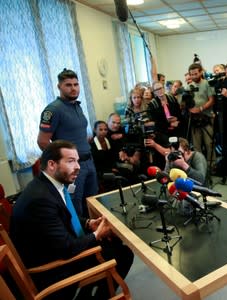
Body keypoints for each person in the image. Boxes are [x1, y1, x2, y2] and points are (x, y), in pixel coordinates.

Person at [10, 140, 134, 299]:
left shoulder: (49, 185)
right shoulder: (40, 199)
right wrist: (97, 235)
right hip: (53, 269)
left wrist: (88, 223)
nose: (78, 166)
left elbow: (63, 216)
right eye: (70, 161)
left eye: (77, 161)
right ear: (52, 164)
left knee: (115, 244)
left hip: (56, 249)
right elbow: (67, 248)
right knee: (123, 254)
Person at [37, 68, 98, 217]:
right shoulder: (53, 110)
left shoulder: (77, 105)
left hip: (88, 161)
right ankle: (80, 239)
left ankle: (97, 236)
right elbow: (42, 141)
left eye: (76, 84)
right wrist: (63, 162)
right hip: (72, 167)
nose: (73, 88)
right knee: (75, 206)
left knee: (93, 203)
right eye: (68, 85)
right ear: (59, 87)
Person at [187, 63, 216, 166]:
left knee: (209, 143)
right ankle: (200, 166)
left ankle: (212, 165)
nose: (194, 76)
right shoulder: (189, 86)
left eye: (195, 73)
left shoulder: (207, 84)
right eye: (192, 74)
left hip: (207, 117)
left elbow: (212, 100)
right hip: (194, 120)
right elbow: (186, 102)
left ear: (200, 72)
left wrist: (200, 108)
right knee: (196, 146)